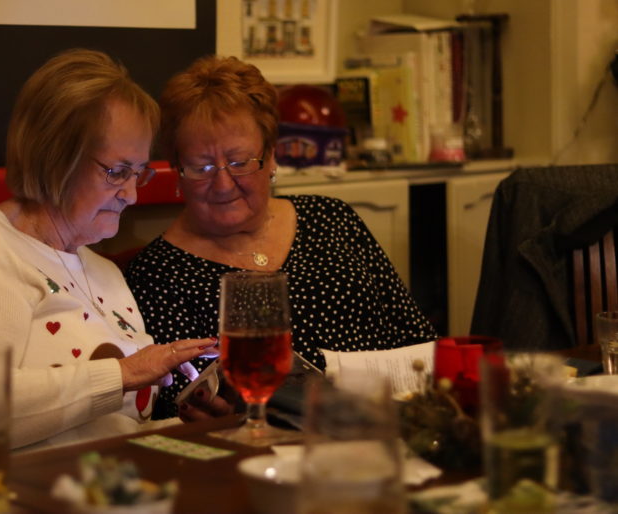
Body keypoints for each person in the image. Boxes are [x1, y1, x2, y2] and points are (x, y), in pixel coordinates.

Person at [0, 49, 217, 466]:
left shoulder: (106, 273)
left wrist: (197, 429)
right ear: (55, 156)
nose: (132, 194)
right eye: (117, 172)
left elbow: (109, 431)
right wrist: (126, 373)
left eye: (140, 173)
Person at [125, 55, 437, 420]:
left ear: (271, 156)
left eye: (240, 162)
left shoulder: (332, 218)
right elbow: (169, 407)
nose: (223, 184)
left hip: (387, 424)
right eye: (202, 167)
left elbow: (417, 339)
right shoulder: (157, 276)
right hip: (256, 447)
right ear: (178, 172)